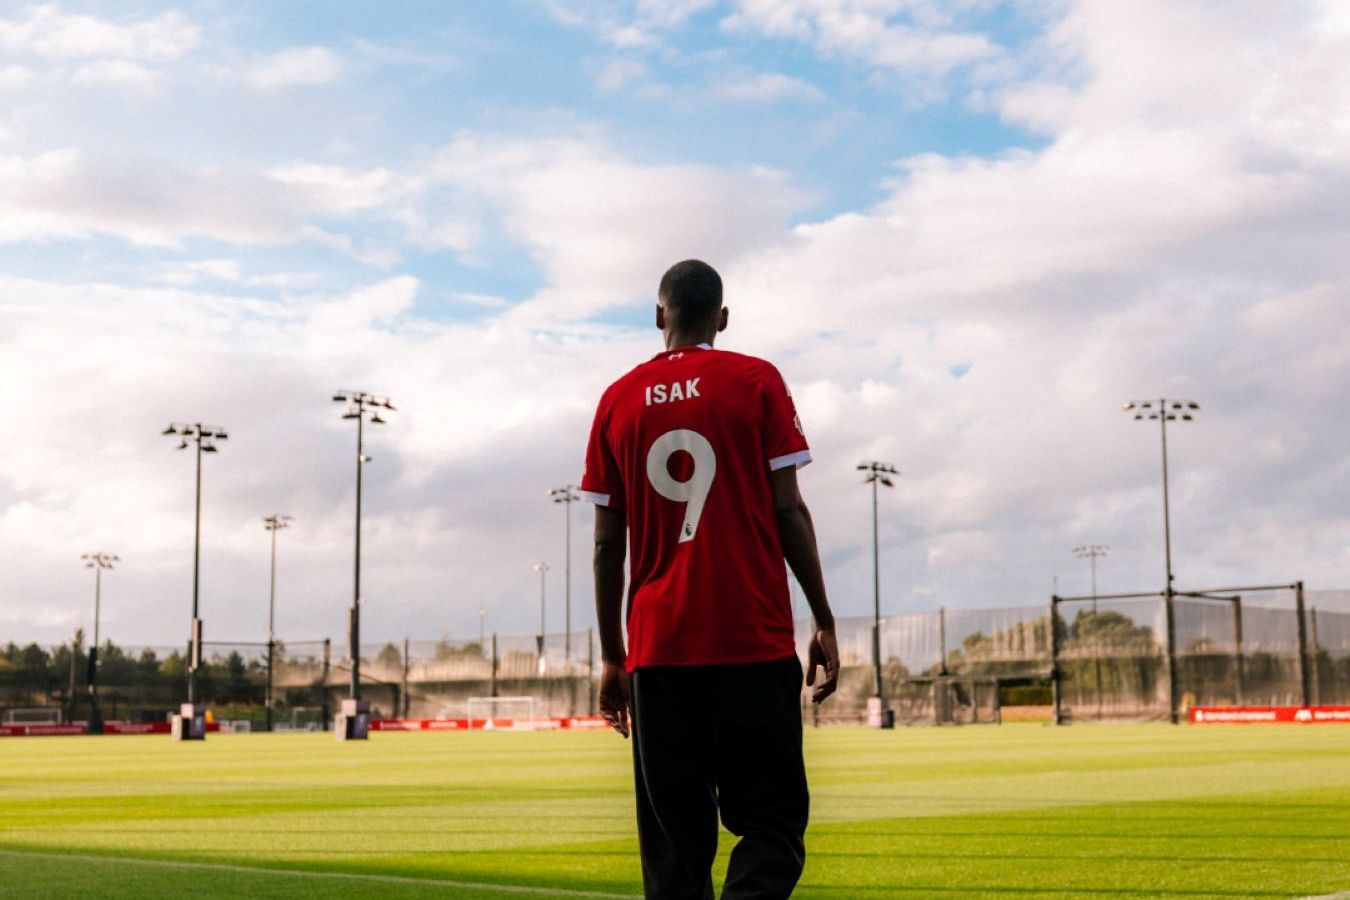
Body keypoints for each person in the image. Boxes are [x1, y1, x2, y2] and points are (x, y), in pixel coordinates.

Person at [581, 259, 840, 899]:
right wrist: (824, 618)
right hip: (751, 639)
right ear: (722, 318)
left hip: (658, 650)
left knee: (674, 853)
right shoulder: (756, 380)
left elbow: (607, 544)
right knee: (772, 825)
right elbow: (788, 510)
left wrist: (613, 657)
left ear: (658, 315)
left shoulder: (617, 400)